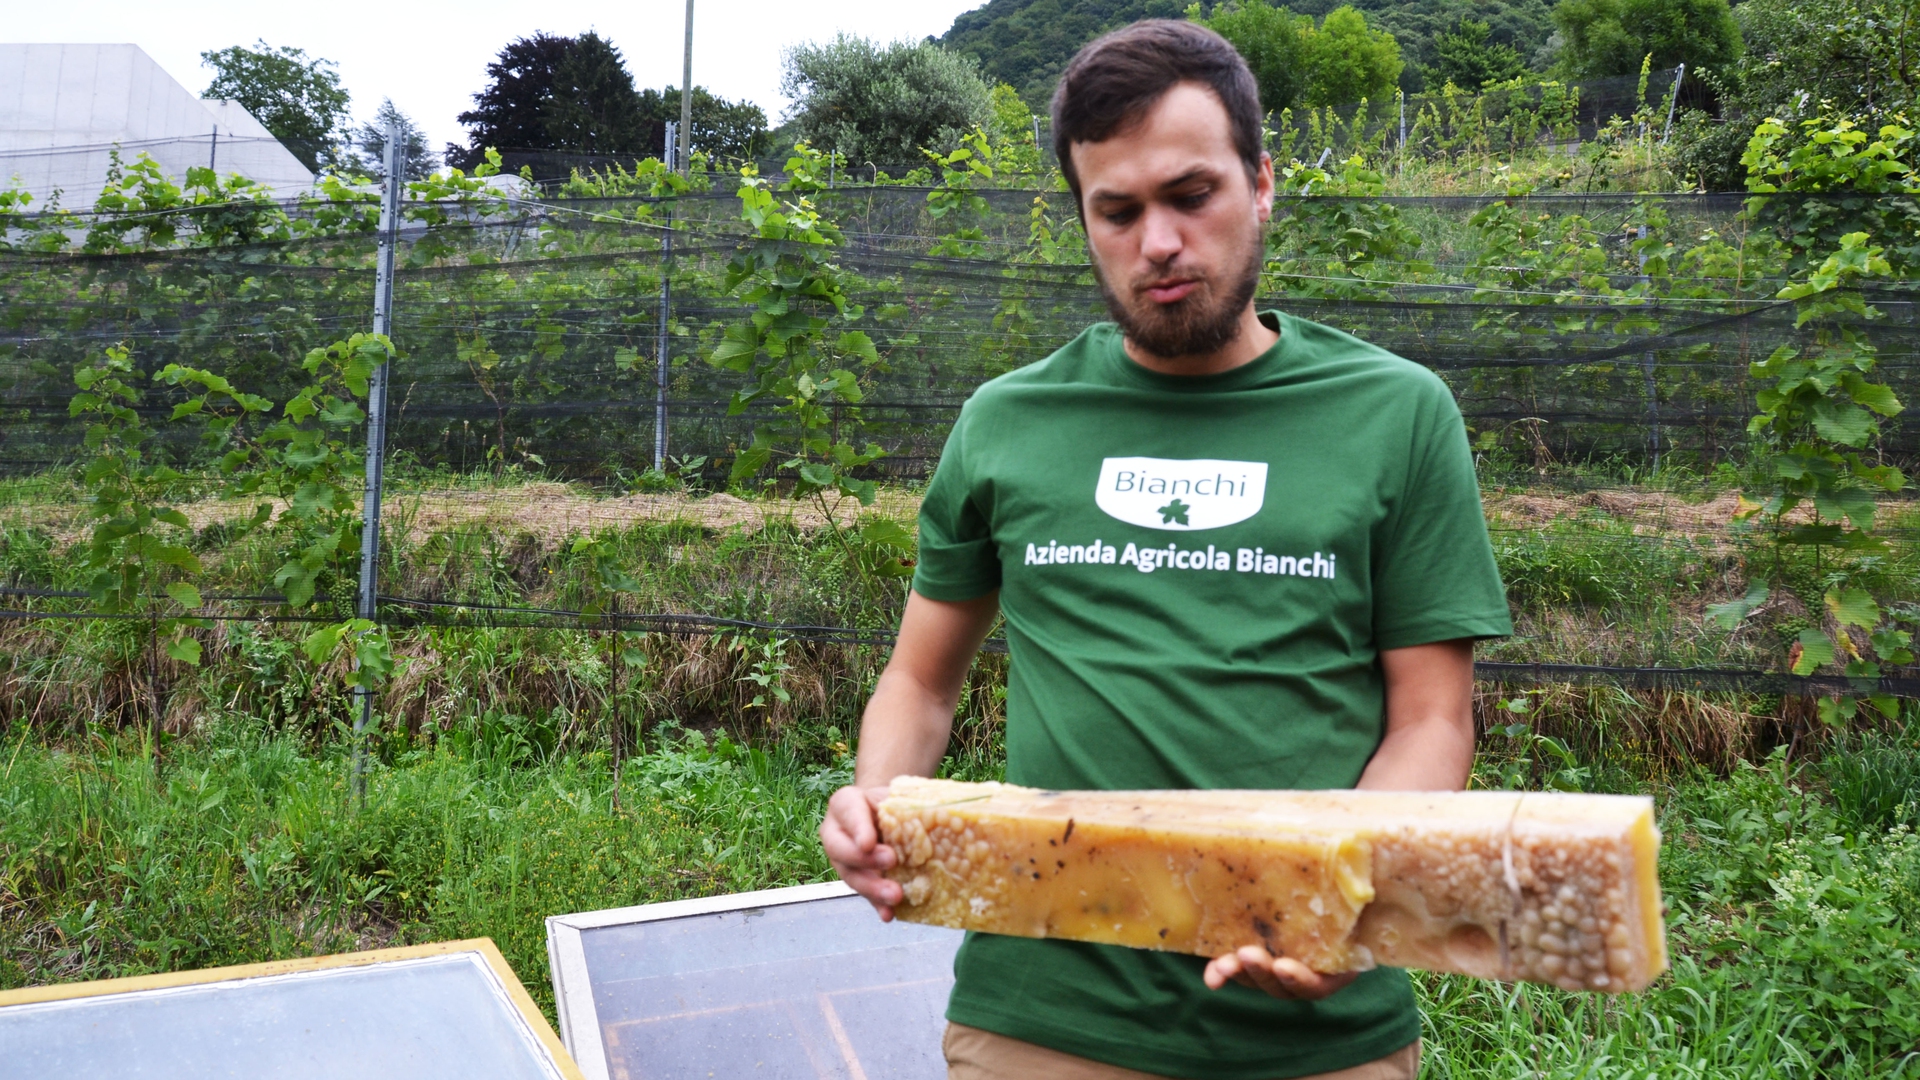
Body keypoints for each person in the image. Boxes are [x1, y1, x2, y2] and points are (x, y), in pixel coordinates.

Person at [819, 19, 1511, 1080]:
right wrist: (876, 799)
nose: (1160, 243)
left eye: (1192, 195)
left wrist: (1340, 896)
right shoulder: (1007, 422)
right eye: (1119, 210)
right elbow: (919, 682)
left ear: (1263, 183)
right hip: (1040, 1023)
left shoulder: (1396, 415)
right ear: (1084, 219)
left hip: (1318, 1034)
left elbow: (1432, 717)